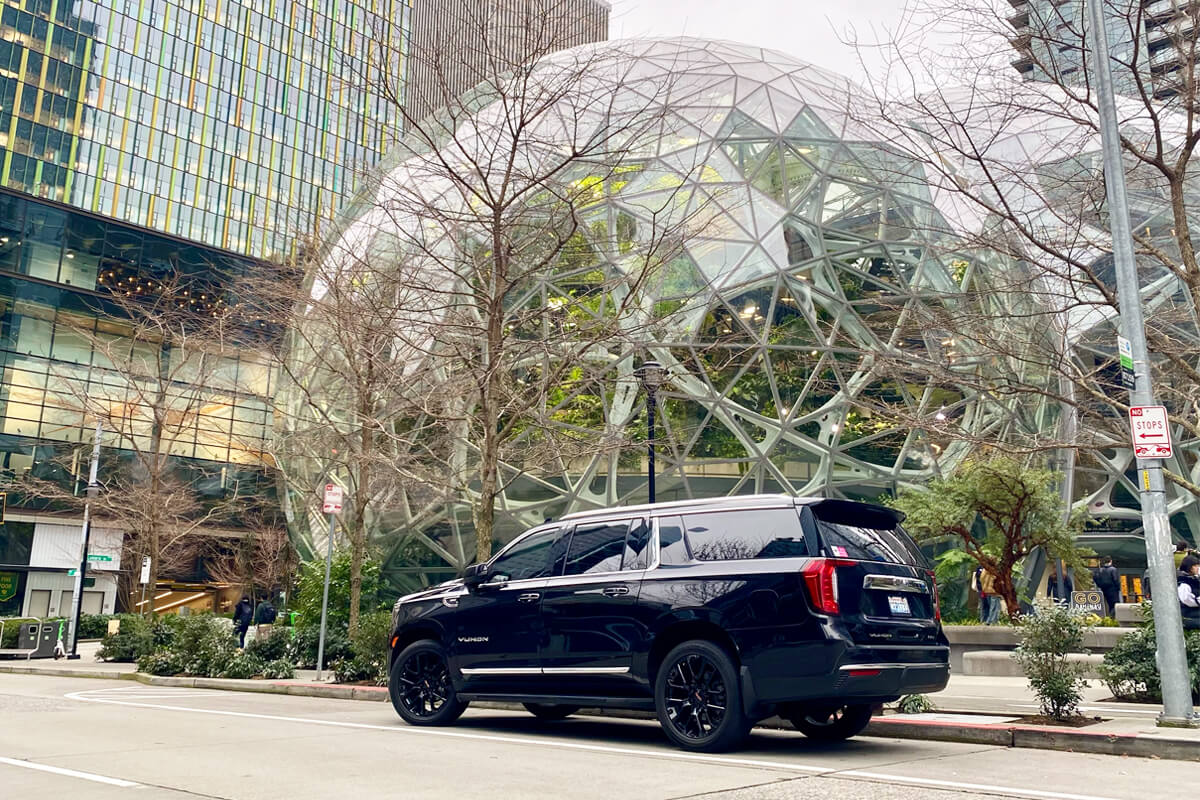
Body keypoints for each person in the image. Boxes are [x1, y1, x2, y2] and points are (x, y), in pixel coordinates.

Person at [1179, 555, 1200, 631]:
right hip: (1187, 613)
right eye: (1195, 566)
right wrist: (1198, 601)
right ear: (1190, 567)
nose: (1198, 568)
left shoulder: (1193, 579)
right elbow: (1186, 599)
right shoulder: (1183, 581)